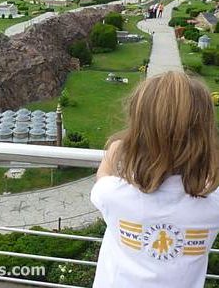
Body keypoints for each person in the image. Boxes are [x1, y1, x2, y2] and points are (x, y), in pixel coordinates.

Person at [91, 71, 219, 288]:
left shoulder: (114, 195)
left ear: (137, 133)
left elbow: (102, 176)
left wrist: (115, 149)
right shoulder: (213, 204)